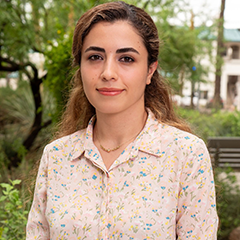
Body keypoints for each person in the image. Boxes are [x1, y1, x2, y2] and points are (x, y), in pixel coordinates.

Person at [26, 1, 218, 239]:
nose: (108, 73)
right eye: (95, 56)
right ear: (80, 67)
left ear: (150, 70)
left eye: (126, 58)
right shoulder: (56, 158)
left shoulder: (186, 155)